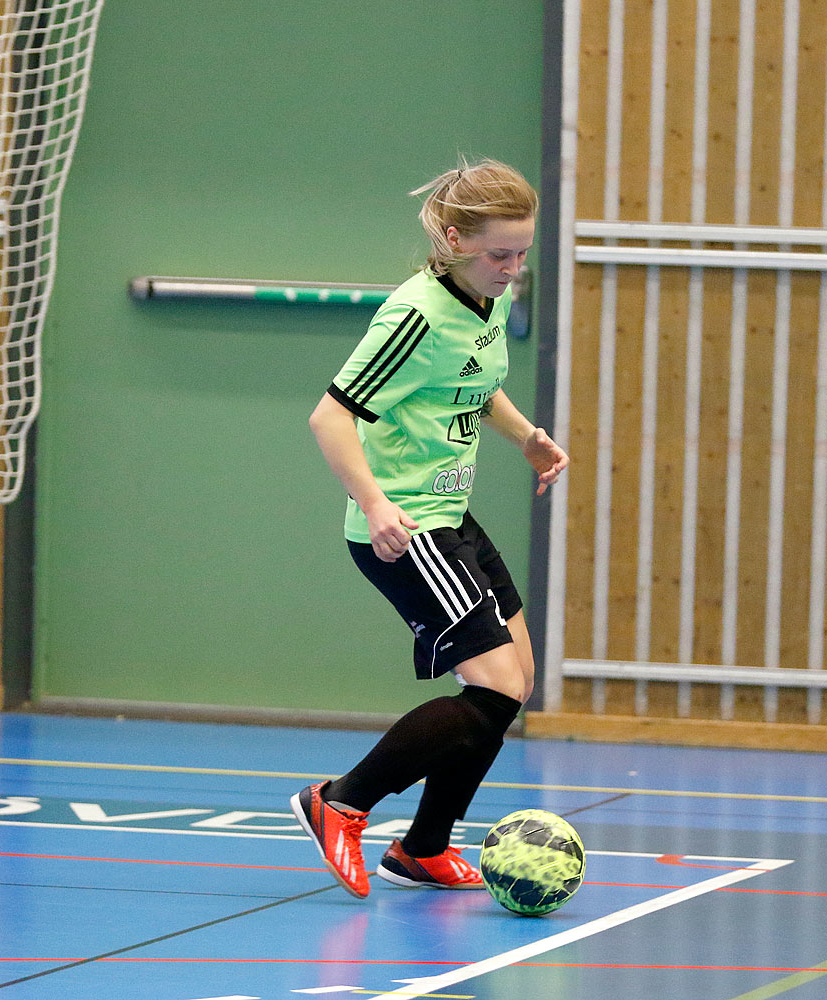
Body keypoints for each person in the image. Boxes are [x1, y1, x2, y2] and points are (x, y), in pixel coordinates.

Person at [291, 158, 568, 897]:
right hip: (406, 527)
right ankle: (339, 801)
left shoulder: (484, 298)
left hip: (452, 516)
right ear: (452, 238)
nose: (512, 269)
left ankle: (423, 847)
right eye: (498, 254)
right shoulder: (414, 314)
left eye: (521, 253)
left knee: (518, 679)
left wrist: (525, 436)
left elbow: (472, 384)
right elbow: (331, 416)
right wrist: (378, 505)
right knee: (495, 684)